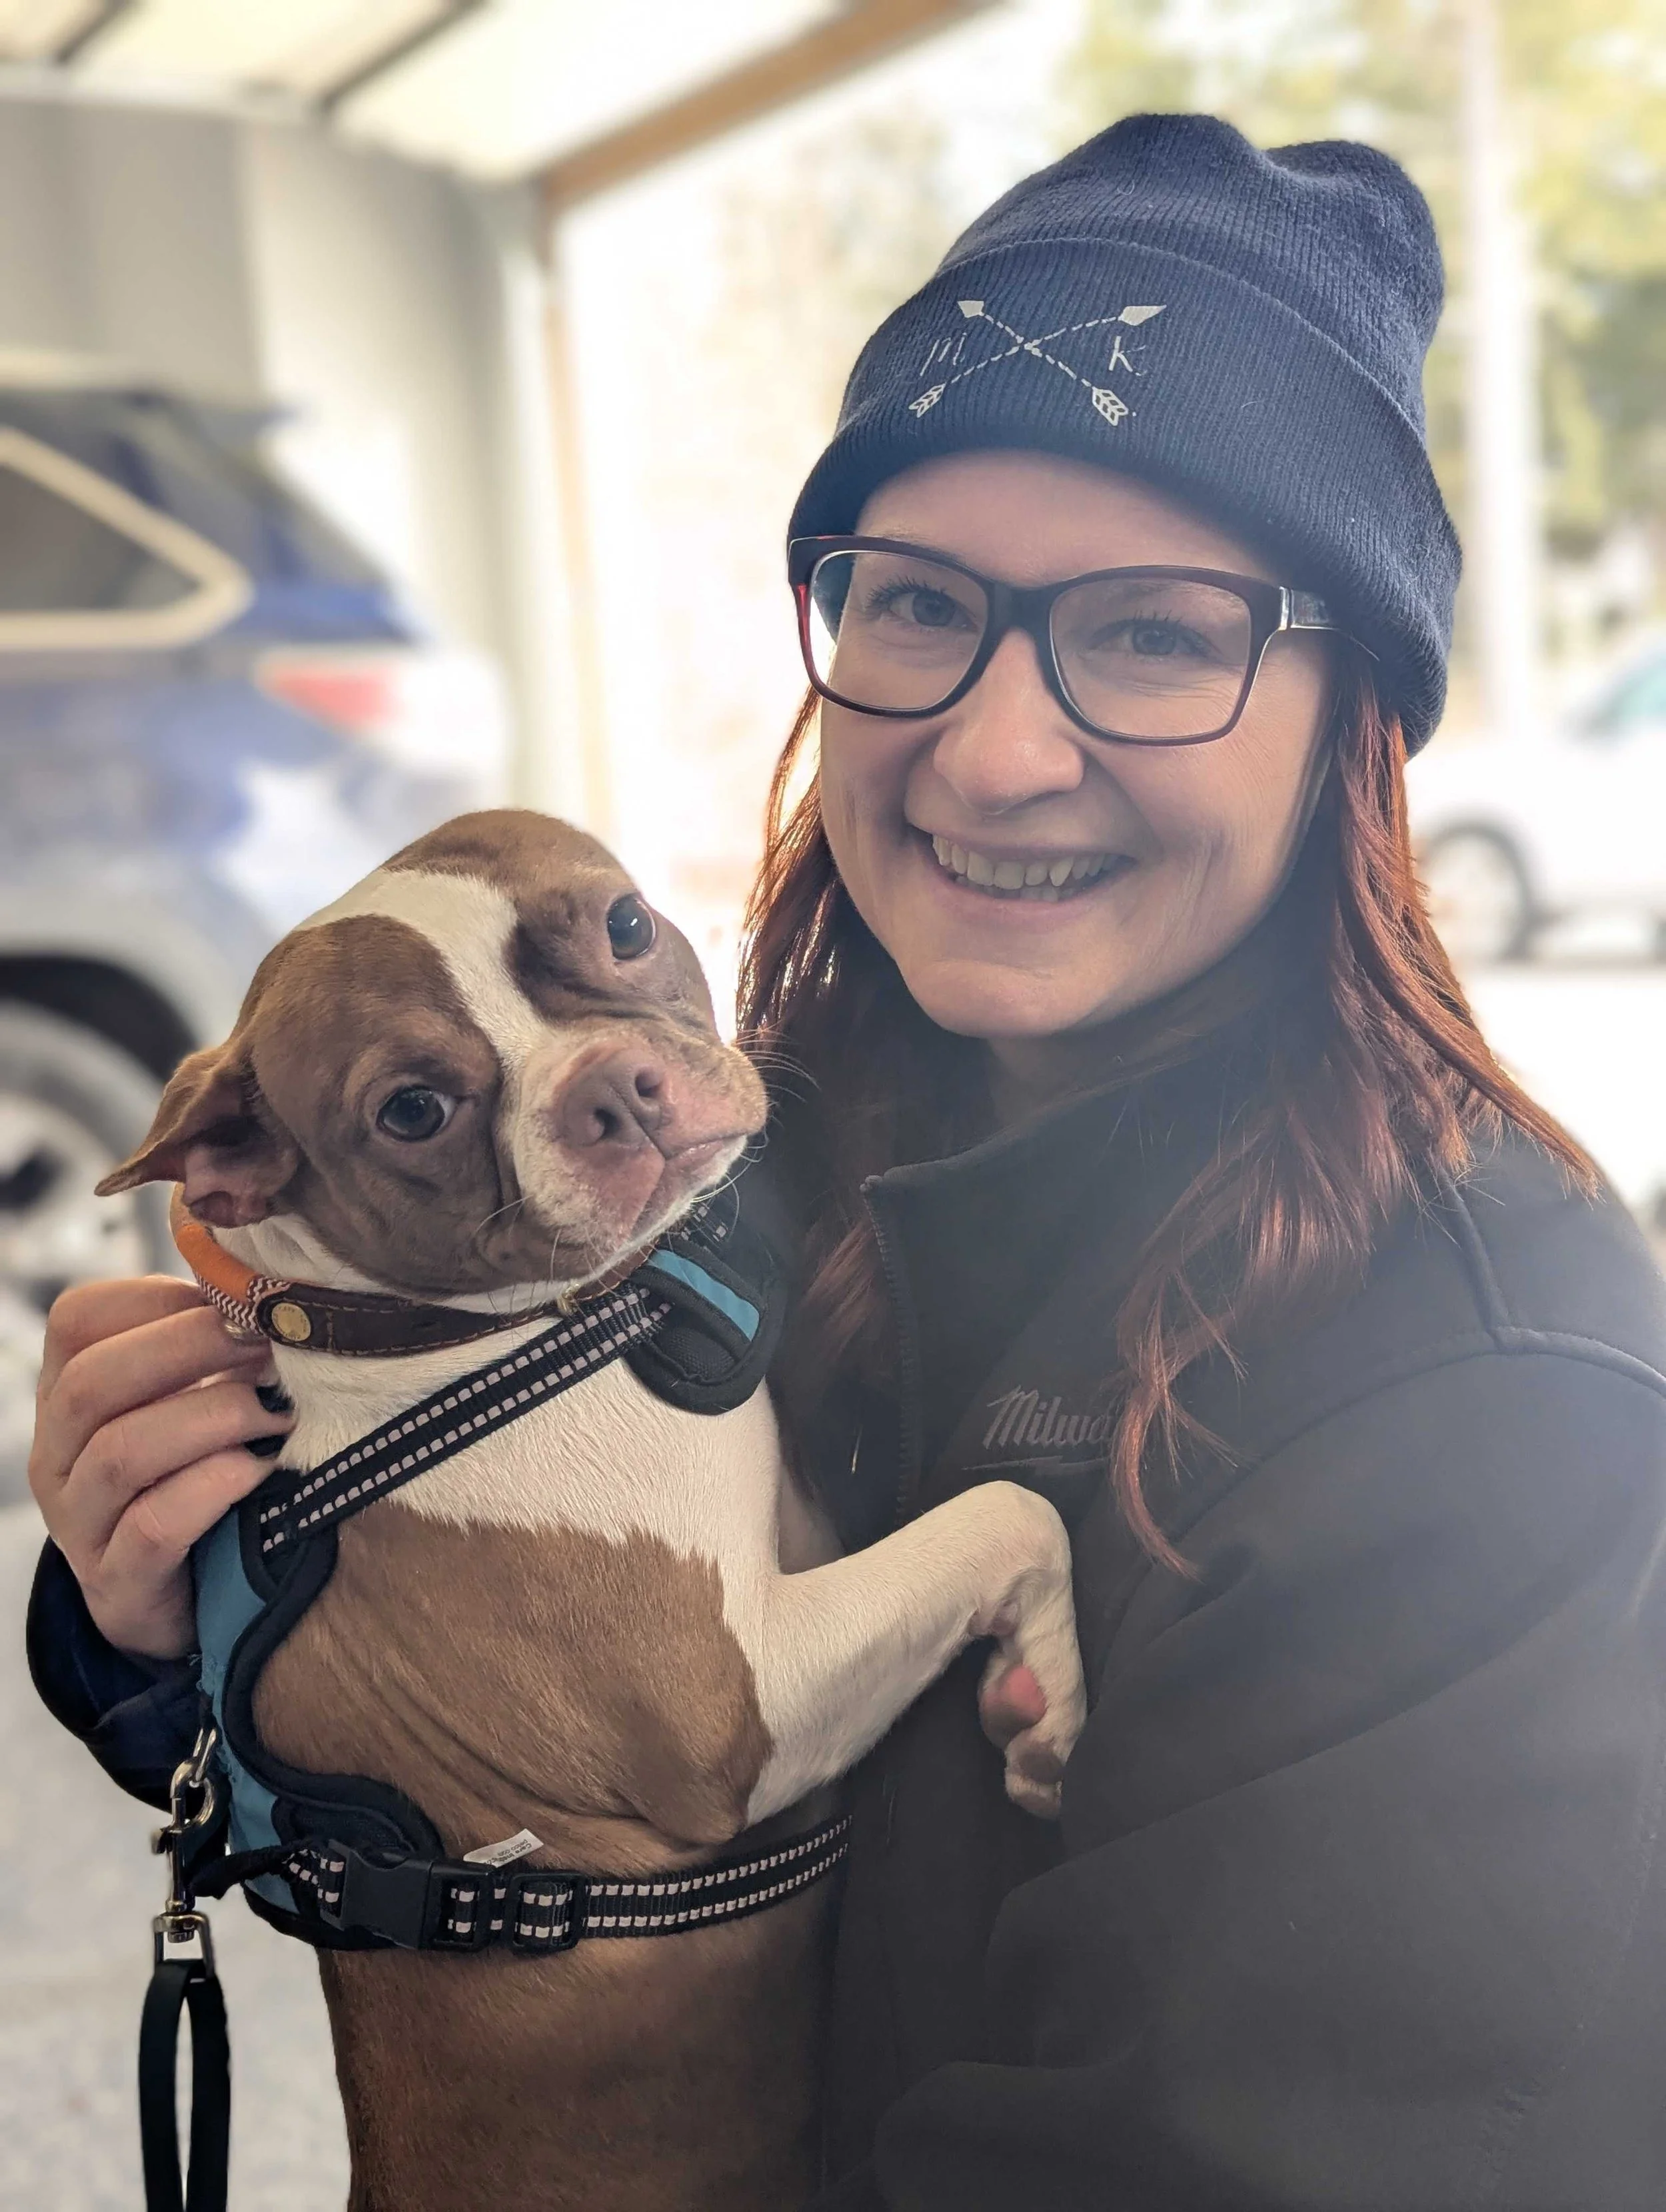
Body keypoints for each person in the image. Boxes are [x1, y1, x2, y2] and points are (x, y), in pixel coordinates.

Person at [27, 115, 1666, 2208]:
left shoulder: (1492, 1385)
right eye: (918, 606)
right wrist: (179, 1608)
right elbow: (517, 1766)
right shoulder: (764, 1134)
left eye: (1153, 634)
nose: (994, 749)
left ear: (1354, 707)